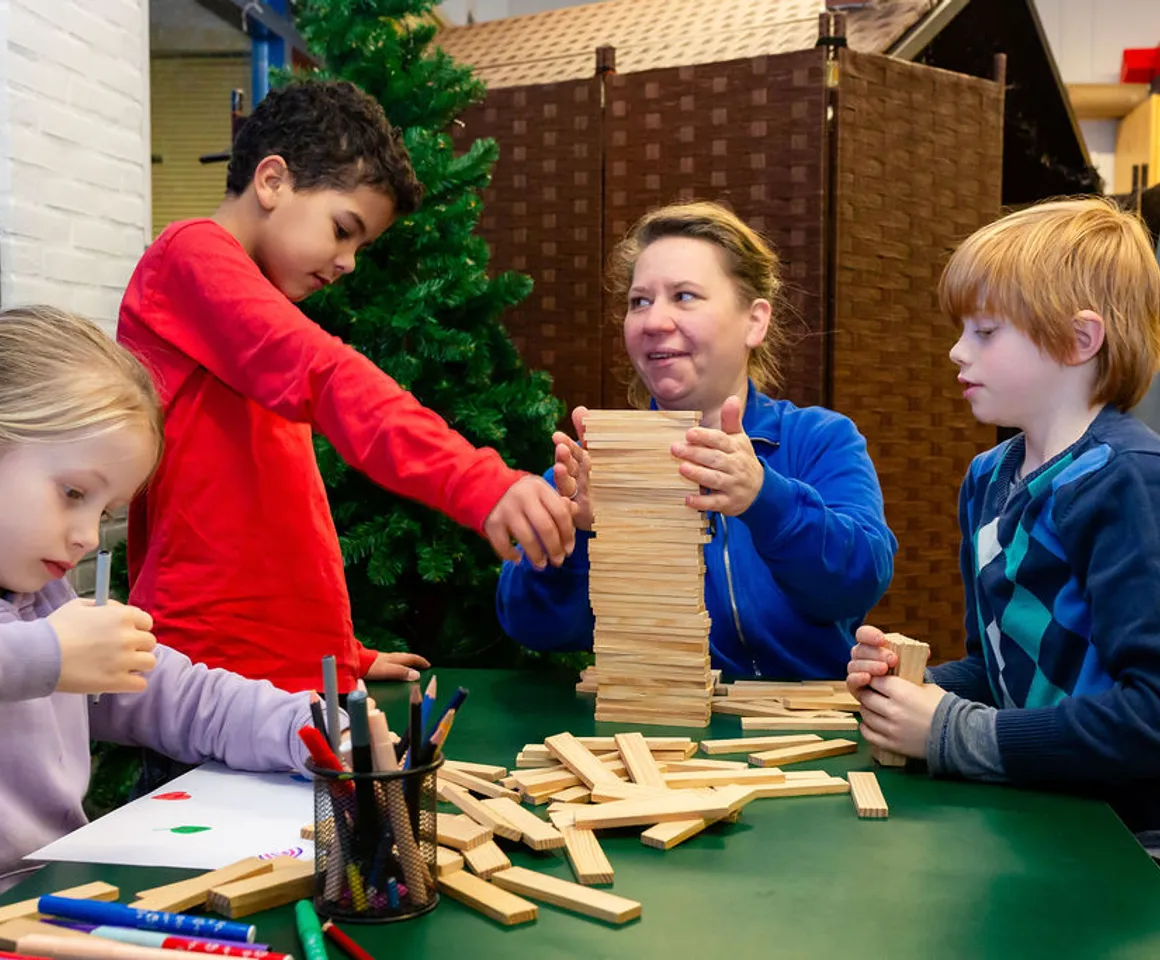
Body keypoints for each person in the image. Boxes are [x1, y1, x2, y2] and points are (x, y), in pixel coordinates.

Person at [118, 79, 574, 695]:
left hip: (279, 669)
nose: (348, 261)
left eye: (361, 243)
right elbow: (328, 375)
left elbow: (269, 509)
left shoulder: (247, 302)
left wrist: (337, 652)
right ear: (272, 181)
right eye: (342, 229)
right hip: (214, 673)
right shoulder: (189, 256)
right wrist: (477, 480)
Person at [847, 197, 1160, 842]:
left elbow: (1148, 717)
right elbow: (999, 673)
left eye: (986, 332)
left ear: (1080, 340)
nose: (957, 351)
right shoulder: (987, 479)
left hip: (1127, 845)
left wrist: (948, 730)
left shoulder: (1129, 480)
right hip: (1035, 823)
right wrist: (912, 689)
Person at [496, 201, 897, 678]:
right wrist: (581, 536)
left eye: (684, 296)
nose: (653, 322)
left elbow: (859, 582)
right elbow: (533, 628)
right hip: (656, 716)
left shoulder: (819, 440)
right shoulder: (598, 466)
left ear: (755, 321)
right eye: (639, 302)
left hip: (806, 717)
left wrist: (763, 497)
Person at [0, 307, 325, 894]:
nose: (88, 536)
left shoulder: (44, 596)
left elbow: (176, 695)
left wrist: (307, 729)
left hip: (55, 895)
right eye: (72, 492)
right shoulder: (47, 634)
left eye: (104, 511)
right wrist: (48, 655)